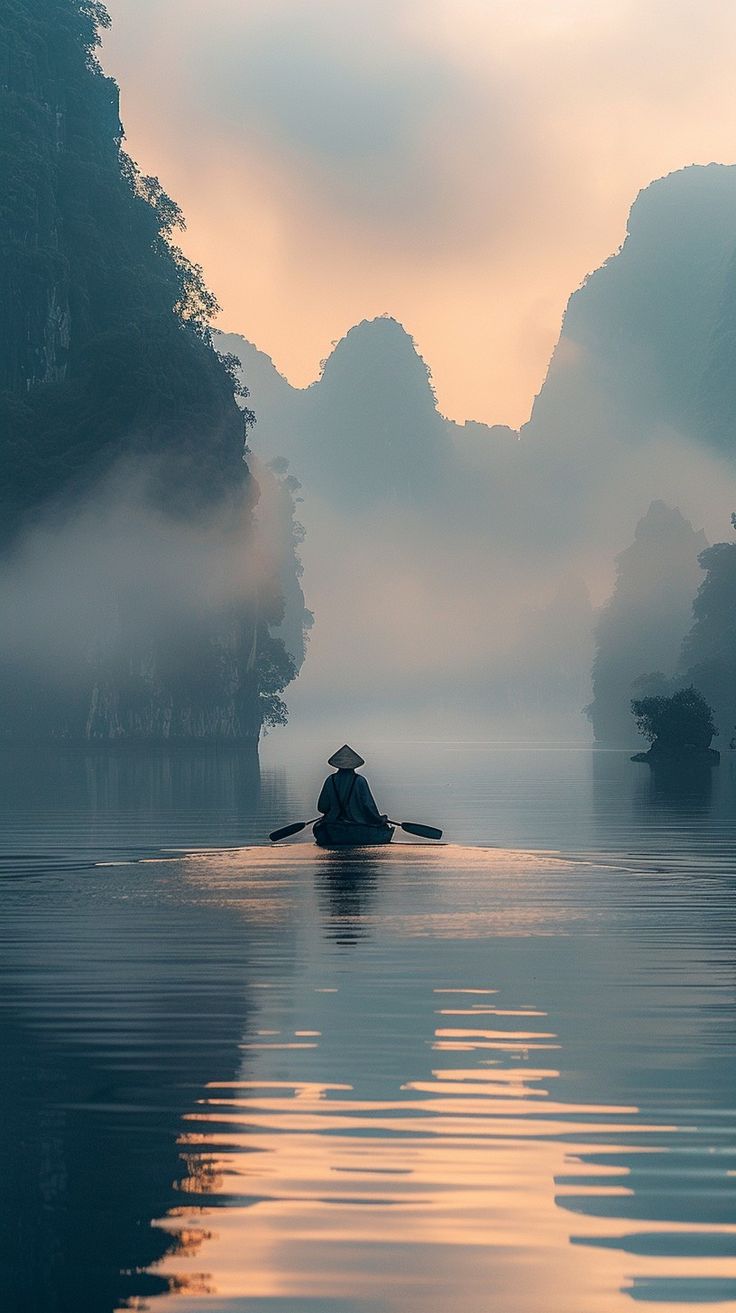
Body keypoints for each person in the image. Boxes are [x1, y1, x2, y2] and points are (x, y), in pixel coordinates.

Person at [315, 745, 389, 833]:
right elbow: (368, 807)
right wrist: (379, 820)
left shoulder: (330, 780)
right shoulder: (360, 781)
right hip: (358, 824)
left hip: (333, 823)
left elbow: (322, 807)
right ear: (354, 766)